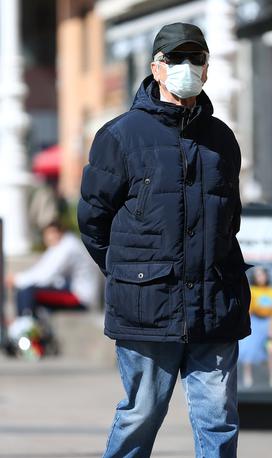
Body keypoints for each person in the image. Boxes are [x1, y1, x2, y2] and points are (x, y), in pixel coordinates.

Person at [77, 23, 251, 457]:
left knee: (218, 419)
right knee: (142, 413)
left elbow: (230, 219)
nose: (187, 67)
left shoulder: (222, 140)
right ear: (156, 67)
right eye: (176, 59)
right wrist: (132, 273)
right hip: (148, 304)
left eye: (196, 59)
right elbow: (93, 221)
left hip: (214, 302)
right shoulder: (119, 136)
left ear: (208, 70)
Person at [5, 221, 100, 318]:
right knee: (26, 291)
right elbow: (41, 269)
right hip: (72, 290)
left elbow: (47, 275)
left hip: (81, 297)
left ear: (59, 232)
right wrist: (18, 279)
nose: (48, 237)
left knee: (28, 292)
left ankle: (25, 328)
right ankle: (27, 326)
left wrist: (17, 280)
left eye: (51, 233)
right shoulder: (62, 244)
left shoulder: (68, 246)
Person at [239, 266, 272, 389]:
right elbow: (249, 309)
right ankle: (248, 377)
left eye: (262, 275)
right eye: (258, 275)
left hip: (267, 323)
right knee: (249, 350)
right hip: (255, 322)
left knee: (271, 352)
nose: (261, 277)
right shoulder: (252, 290)